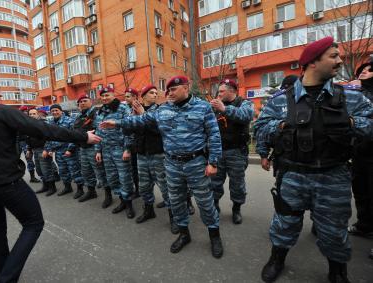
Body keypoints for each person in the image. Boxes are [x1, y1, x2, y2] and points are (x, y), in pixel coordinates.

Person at [0, 73, 101, 283]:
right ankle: (6, 279)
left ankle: (2, 274)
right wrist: (83, 136)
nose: (0, 94)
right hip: (6, 182)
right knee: (33, 223)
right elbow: (43, 128)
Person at [253, 37, 373, 282]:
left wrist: (350, 122)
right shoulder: (281, 100)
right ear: (312, 63)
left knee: (334, 230)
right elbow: (260, 129)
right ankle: (277, 259)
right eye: (333, 56)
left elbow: (370, 125)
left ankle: (337, 271)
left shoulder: (350, 98)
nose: (340, 60)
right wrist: (285, 125)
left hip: (333, 175)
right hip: (293, 175)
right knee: (284, 222)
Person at [100, 76, 224, 258]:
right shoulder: (163, 109)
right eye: (168, 90)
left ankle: (214, 235)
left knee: (205, 201)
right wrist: (117, 123)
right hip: (172, 163)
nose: (169, 93)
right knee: (175, 200)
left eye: (173, 89)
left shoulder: (203, 107)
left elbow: (214, 135)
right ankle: (184, 234)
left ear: (185, 87)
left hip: (195, 163)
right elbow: (141, 120)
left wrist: (213, 162)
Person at [128, 85, 178, 233]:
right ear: (143, 96)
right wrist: (134, 116)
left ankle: (173, 217)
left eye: (156, 92)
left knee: (165, 187)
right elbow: (130, 130)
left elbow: (160, 129)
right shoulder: (136, 111)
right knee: (144, 186)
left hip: (158, 154)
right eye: (151, 93)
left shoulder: (161, 110)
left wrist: (143, 115)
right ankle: (149, 210)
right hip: (142, 154)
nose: (155, 95)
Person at [210, 79, 254, 224]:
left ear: (232, 91)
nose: (219, 93)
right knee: (215, 182)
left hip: (236, 151)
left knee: (237, 184)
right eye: (219, 91)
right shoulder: (216, 105)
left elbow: (247, 115)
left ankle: (236, 208)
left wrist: (224, 109)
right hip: (218, 151)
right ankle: (215, 205)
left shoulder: (244, 103)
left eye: (222, 91)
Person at [94, 87, 135, 218]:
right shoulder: (101, 110)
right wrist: (98, 150)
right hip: (106, 150)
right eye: (103, 96)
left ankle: (129, 204)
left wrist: (128, 149)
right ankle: (122, 200)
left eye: (107, 95)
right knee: (112, 178)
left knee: (125, 178)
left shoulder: (123, 108)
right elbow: (98, 131)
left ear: (113, 95)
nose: (105, 98)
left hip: (120, 149)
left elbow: (130, 128)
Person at [348, 60, 373, 239]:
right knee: (361, 191)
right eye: (363, 69)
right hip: (360, 153)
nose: (365, 71)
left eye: (370, 70)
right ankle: (364, 225)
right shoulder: (355, 93)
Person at [73, 94, 109, 203]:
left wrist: (98, 150)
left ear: (91, 102)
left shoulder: (96, 114)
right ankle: (91, 191)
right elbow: (75, 131)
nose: (82, 103)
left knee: (100, 172)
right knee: (86, 172)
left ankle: (108, 195)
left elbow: (100, 131)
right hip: (83, 148)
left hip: (94, 148)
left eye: (85, 100)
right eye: (80, 102)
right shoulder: (79, 117)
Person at [44, 104, 85, 197]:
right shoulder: (50, 122)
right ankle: (67, 187)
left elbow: (75, 136)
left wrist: (70, 149)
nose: (54, 112)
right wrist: (49, 149)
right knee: (63, 171)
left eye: (56, 110)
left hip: (69, 151)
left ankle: (80, 189)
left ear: (61, 111)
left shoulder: (70, 121)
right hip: (58, 152)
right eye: (52, 111)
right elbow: (48, 137)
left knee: (74, 170)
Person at [26, 108, 58, 196]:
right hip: (35, 150)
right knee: (39, 170)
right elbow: (28, 138)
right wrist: (29, 149)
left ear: (38, 114)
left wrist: (46, 149)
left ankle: (52, 187)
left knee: (46, 169)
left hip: (43, 149)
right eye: (30, 114)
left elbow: (49, 137)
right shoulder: (29, 124)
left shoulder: (43, 123)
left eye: (34, 114)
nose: (32, 115)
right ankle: (45, 186)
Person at [124, 87, 140, 199]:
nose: (125, 98)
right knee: (134, 169)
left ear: (135, 97)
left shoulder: (140, 108)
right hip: (133, 145)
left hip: (140, 145)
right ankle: (138, 190)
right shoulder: (129, 110)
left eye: (128, 96)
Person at [18, 105, 40, 183]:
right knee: (15, 159)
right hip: (19, 141)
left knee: (29, 159)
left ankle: (32, 177)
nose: (25, 113)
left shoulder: (28, 120)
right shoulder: (18, 120)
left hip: (26, 141)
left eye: (25, 112)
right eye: (23, 111)